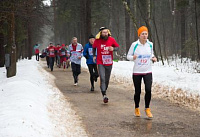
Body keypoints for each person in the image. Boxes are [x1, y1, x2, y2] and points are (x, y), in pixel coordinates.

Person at [127, 26, 157, 118]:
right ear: (139, 35)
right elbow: (128, 56)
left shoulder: (150, 44)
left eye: (146, 34)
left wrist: (153, 58)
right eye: (142, 34)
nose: (144, 36)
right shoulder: (134, 44)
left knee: (148, 90)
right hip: (137, 72)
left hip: (148, 71)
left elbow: (151, 54)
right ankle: (137, 108)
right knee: (138, 91)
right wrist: (133, 58)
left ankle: (147, 108)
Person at [93, 27, 119, 103]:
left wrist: (113, 49)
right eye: (104, 32)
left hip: (109, 62)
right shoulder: (97, 40)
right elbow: (94, 48)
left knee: (107, 79)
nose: (105, 34)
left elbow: (117, 47)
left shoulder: (111, 40)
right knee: (102, 78)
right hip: (100, 61)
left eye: (106, 32)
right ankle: (104, 95)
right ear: (101, 33)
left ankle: (104, 89)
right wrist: (94, 55)